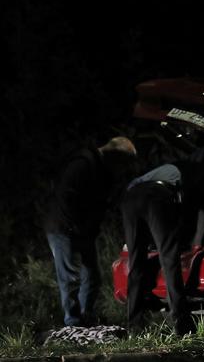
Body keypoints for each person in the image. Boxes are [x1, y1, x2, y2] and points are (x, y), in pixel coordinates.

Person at [121, 147, 204, 335]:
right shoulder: (192, 172)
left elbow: (132, 187)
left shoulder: (170, 167)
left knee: (136, 262)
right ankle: (181, 323)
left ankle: (133, 326)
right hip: (156, 196)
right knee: (169, 258)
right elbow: (191, 210)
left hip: (130, 198)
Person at [44, 136, 137, 327]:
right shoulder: (82, 163)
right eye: (123, 163)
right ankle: (73, 322)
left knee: (92, 275)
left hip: (82, 229)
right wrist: (74, 227)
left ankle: (86, 315)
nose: (123, 169)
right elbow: (65, 197)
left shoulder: (100, 168)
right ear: (115, 155)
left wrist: (90, 227)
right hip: (63, 227)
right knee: (69, 276)